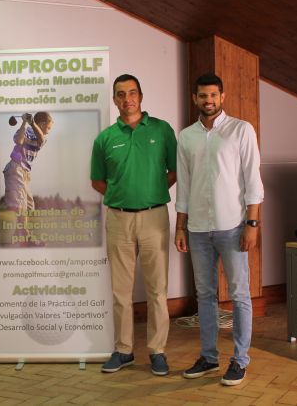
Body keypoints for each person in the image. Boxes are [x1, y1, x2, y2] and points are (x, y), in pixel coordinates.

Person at [174, 73, 264, 386]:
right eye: (203, 96)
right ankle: (209, 357)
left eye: (213, 95)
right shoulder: (186, 137)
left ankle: (240, 360)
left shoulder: (241, 130)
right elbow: (184, 186)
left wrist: (252, 224)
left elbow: (253, 180)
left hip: (233, 226)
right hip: (198, 229)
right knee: (205, 295)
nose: (208, 100)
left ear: (222, 97)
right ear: (195, 99)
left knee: (239, 295)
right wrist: (180, 226)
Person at [90, 74, 177, 376]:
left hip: (154, 217)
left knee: (157, 290)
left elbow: (174, 171)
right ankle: (124, 350)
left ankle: (157, 351)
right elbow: (97, 181)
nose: (127, 99)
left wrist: (150, 192)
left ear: (140, 96)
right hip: (118, 219)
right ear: (115, 99)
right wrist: (122, 196)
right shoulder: (105, 138)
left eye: (132, 93)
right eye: (121, 94)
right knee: (121, 291)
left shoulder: (162, 130)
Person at [2, 112, 54, 245]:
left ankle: (19, 235)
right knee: (21, 206)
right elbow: (19, 141)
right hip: (16, 168)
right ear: (42, 124)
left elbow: (41, 139)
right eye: (48, 128)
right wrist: (24, 122)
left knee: (30, 206)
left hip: (25, 173)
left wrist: (32, 123)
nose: (48, 131)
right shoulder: (24, 130)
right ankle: (26, 238)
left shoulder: (41, 137)